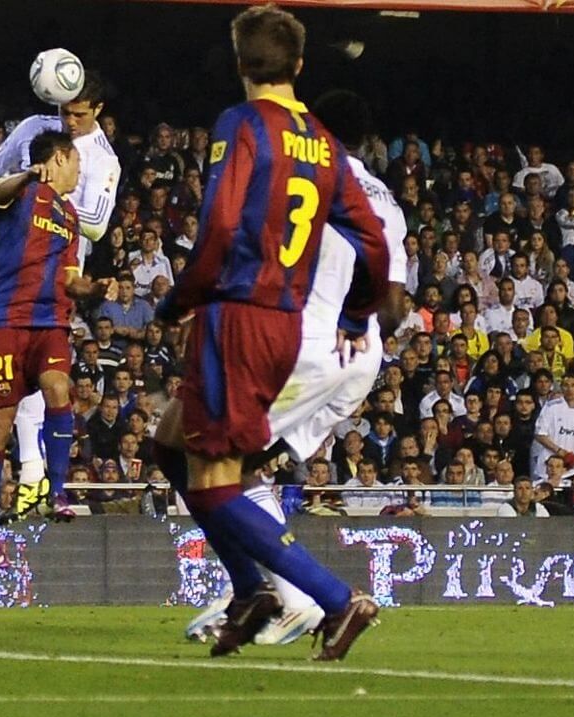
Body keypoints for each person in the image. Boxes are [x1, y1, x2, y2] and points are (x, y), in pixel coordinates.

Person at [152, 6, 387, 660]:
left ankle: (335, 600)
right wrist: (356, 314)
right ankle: (250, 588)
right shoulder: (323, 142)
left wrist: (184, 295)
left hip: (238, 315)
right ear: (300, 66)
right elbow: (372, 240)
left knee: (217, 483)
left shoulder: (243, 123)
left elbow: (222, 225)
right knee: (172, 443)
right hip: (286, 322)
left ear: (239, 65)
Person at [0, 72, 121, 523]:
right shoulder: (33, 136)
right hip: (9, 303)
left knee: (54, 389)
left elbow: (96, 224)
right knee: (6, 415)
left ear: (98, 111)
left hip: (55, 292)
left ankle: (47, 483)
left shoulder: (101, 165)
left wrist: (55, 195)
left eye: (78, 113)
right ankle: (10, 500)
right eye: (63, 111)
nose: (69, 120)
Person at [0, 131, 113, 569]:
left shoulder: (70, 217)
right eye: (76, 163)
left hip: (51, 320)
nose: (80, 172)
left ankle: (57, 489)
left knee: (59, 387)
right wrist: (26, 173)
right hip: (4, 321)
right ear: (60, 158)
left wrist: (92, 288)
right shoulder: (23, 191)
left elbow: (71, 278)